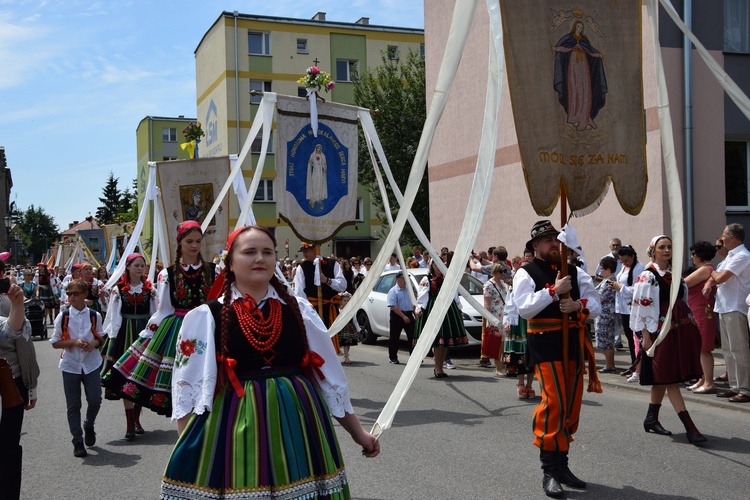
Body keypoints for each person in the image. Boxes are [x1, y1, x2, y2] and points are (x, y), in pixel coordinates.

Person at [160, 225, 379, 498]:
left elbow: (331, 380)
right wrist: (189, 450)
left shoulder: (299, 310)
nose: (260, 258)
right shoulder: (206, 316)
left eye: (267, 252)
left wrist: (359, 434)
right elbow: (189, 392)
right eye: (249, 252)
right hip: (235, 424)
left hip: (299, 422)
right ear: (230, 262)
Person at [512, 220, 601, 497]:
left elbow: (595, 303)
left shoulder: (575, 271)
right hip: (545, 344)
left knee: (571, 406)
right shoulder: (526, 272)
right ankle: (549, 471)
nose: (554, 243)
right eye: (548, 240)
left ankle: (562, 466)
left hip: (572, 342)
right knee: (555, 403)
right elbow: (525, 309)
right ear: (535, 245)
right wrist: (553, 291)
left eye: (556, 239)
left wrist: (577, 305)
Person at [105, 220, 215, 417]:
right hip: (181, 329)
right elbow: (164, 309)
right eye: (189, 241)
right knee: (184, 379)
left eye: (198, 241)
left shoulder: (214, 271)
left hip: (208, 327)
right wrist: (148, 333)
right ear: (180, 242)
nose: (194, 246)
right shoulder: (167, 274)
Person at [630, 235, 706, 444]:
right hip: (659, 332)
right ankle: (690, 427)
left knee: (664, 376)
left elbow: (683, 300)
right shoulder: (648, 276)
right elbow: (642, 307)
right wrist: (645, 336)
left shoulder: (674, 274)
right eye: (662, 247)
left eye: (669, 247)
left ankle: (650, 419)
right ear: (653, 251)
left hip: (677, 331)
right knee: (670, 379)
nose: (666, 250)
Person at [100, 254, 157, 439]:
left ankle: (137, 420)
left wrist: (155, 335)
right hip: (125, 334)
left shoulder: (150, 290)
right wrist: (111, 339)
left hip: (144, 334)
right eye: (137, 265)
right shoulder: (118, 290)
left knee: (141, 377)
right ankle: (129, 424)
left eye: (142, 266)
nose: (140, 269)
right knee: (126, 378)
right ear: (128, 267)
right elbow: (113, 316)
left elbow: (154, 314)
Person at [50, 279, 104, 457]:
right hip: (70, 364)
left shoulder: (94, 315)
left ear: (85, 295)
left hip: (91, 364)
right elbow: (55, 342)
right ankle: (77, 440)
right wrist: (73, 341)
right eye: (69, 293)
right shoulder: (63, 316)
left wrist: (93, 343)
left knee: (95, 399)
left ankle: (89, 424)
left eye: (75, 293)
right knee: (73, 405)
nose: (71, 297)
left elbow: (101, 337)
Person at [0, 268, 36, 500]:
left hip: (9, 383)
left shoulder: (8, 300)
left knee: (9, 447)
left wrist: (17, 304)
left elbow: (12, 334)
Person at [704, 224, 750, 402]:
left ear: (733, 238)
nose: (722, 239)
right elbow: (716, 276)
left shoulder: (742, 256)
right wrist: (711, 279)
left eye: (724, 236)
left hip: (736, 306)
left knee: (739, 349)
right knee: (728, 350)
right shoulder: (730, 256)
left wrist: (712, 274)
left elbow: (720, 277)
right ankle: (735, 386)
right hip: (724, 306)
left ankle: (745, 389)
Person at [414, 259, 469, 378]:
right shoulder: (427, 279)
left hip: (448, 310)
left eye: (441, 265)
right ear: (431, 266)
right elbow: (422, 296)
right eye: (436, 264)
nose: (438, 267)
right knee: (438, 341)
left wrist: (459, 308)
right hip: (433, 310)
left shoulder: (448, 279)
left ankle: (440, 367)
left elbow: (454, 294)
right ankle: (438, 368)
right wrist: (420, 308)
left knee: (444, 341)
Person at [553, 18, 607, 131]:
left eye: (581, 28)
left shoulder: (584, 40)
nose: (579, 29)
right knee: (575, 90)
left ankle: (586, 117)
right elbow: (563, 48)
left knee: (586, 90)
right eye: (578, 27)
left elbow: (591, 51)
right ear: (574, 27)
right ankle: (576, 116)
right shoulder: (568, 38)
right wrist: (557, 48)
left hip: (584, 66)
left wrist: (598, 55)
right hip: (573, 66)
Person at [293, 242, 346, 351]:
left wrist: (327, 280)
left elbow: (342, 286)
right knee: (315, 342)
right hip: (312, 309)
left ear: (315, 249)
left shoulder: (332, 264)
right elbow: (299, 293)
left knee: (330, 339)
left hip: (330, 307)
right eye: (303, 252)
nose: (304, 254)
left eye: (306, 251)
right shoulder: (302, 267)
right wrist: (308, 310)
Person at [683, 241, 718, 394]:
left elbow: (684, 283)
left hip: (703, 312)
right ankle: (702, 379)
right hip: (697, 311)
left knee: (704, 349)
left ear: (700, 256)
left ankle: (709, 382)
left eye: (694, 254)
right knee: (699, 348)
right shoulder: (705, 269)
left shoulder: (706, 269)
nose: (692, 257)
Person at [611, 245, 645, 380]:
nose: (624, 263)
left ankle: (639, 367)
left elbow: (638, 290)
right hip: (624, 307)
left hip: (633, 307)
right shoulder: (626, 267)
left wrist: (620, 287)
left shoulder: (638, 268)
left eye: (627, 260)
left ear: (633, 257)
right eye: (621, 261)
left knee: (636, 339)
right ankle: (633, 365)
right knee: (630, 340)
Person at [482, 263, 508, 374]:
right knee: (497, 342)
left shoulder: (503, 284)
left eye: (504, 271)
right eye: (501, 271)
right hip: (496, 317)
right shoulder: (489, 285)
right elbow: (487, 304)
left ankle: (502, 363)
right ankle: (498, 367)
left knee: (503, 342)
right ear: (495, 272)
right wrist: (490, 319)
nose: (503, 273)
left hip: (505, 316)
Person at [595, 256, 618, 373]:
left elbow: (600, 298)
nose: (600, 271)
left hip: (605, 315)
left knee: (605, 341)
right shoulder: (607, 280)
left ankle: (610, 365)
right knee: (606, 340)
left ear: (608, 269)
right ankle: (610, 365)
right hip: (605, 314)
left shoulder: (609, 281)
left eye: (602, 269)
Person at [386, 271, 415, 364]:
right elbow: (393, 306)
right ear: (397, 279)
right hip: (397, 315)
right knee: (394, 337)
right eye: (403, 278)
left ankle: (414, 356)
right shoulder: (393, 291)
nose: (405, 280)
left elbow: (413, 303)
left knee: (413, 336)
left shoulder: (409, 290)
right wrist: (403, 316)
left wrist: (415, 313)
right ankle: (392, 357)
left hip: (409, 314)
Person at [337, 292, 361, 364]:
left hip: (349, 327)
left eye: (348, 300)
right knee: (345, 343)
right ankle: (346, 357)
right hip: (342, 328)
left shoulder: (351, 310)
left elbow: (355, 320)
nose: (346, 302)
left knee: (348, 343)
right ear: (341, 301)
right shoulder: (339, 310)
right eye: (344, 300)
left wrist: (358, 329)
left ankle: (346, 356)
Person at [306, 143, 328, 208]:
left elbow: (324, 164)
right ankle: (313, 199)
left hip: (320, 172)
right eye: (318, 148)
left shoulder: (323, 156)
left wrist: (324, 167)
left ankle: (319, 198)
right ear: (316, 148)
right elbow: (310, 162)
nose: (319, 149)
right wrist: (310, 163)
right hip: (315, 171)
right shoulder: (313, 155)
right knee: (314, 183)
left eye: (320, 148)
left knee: (320, 184)